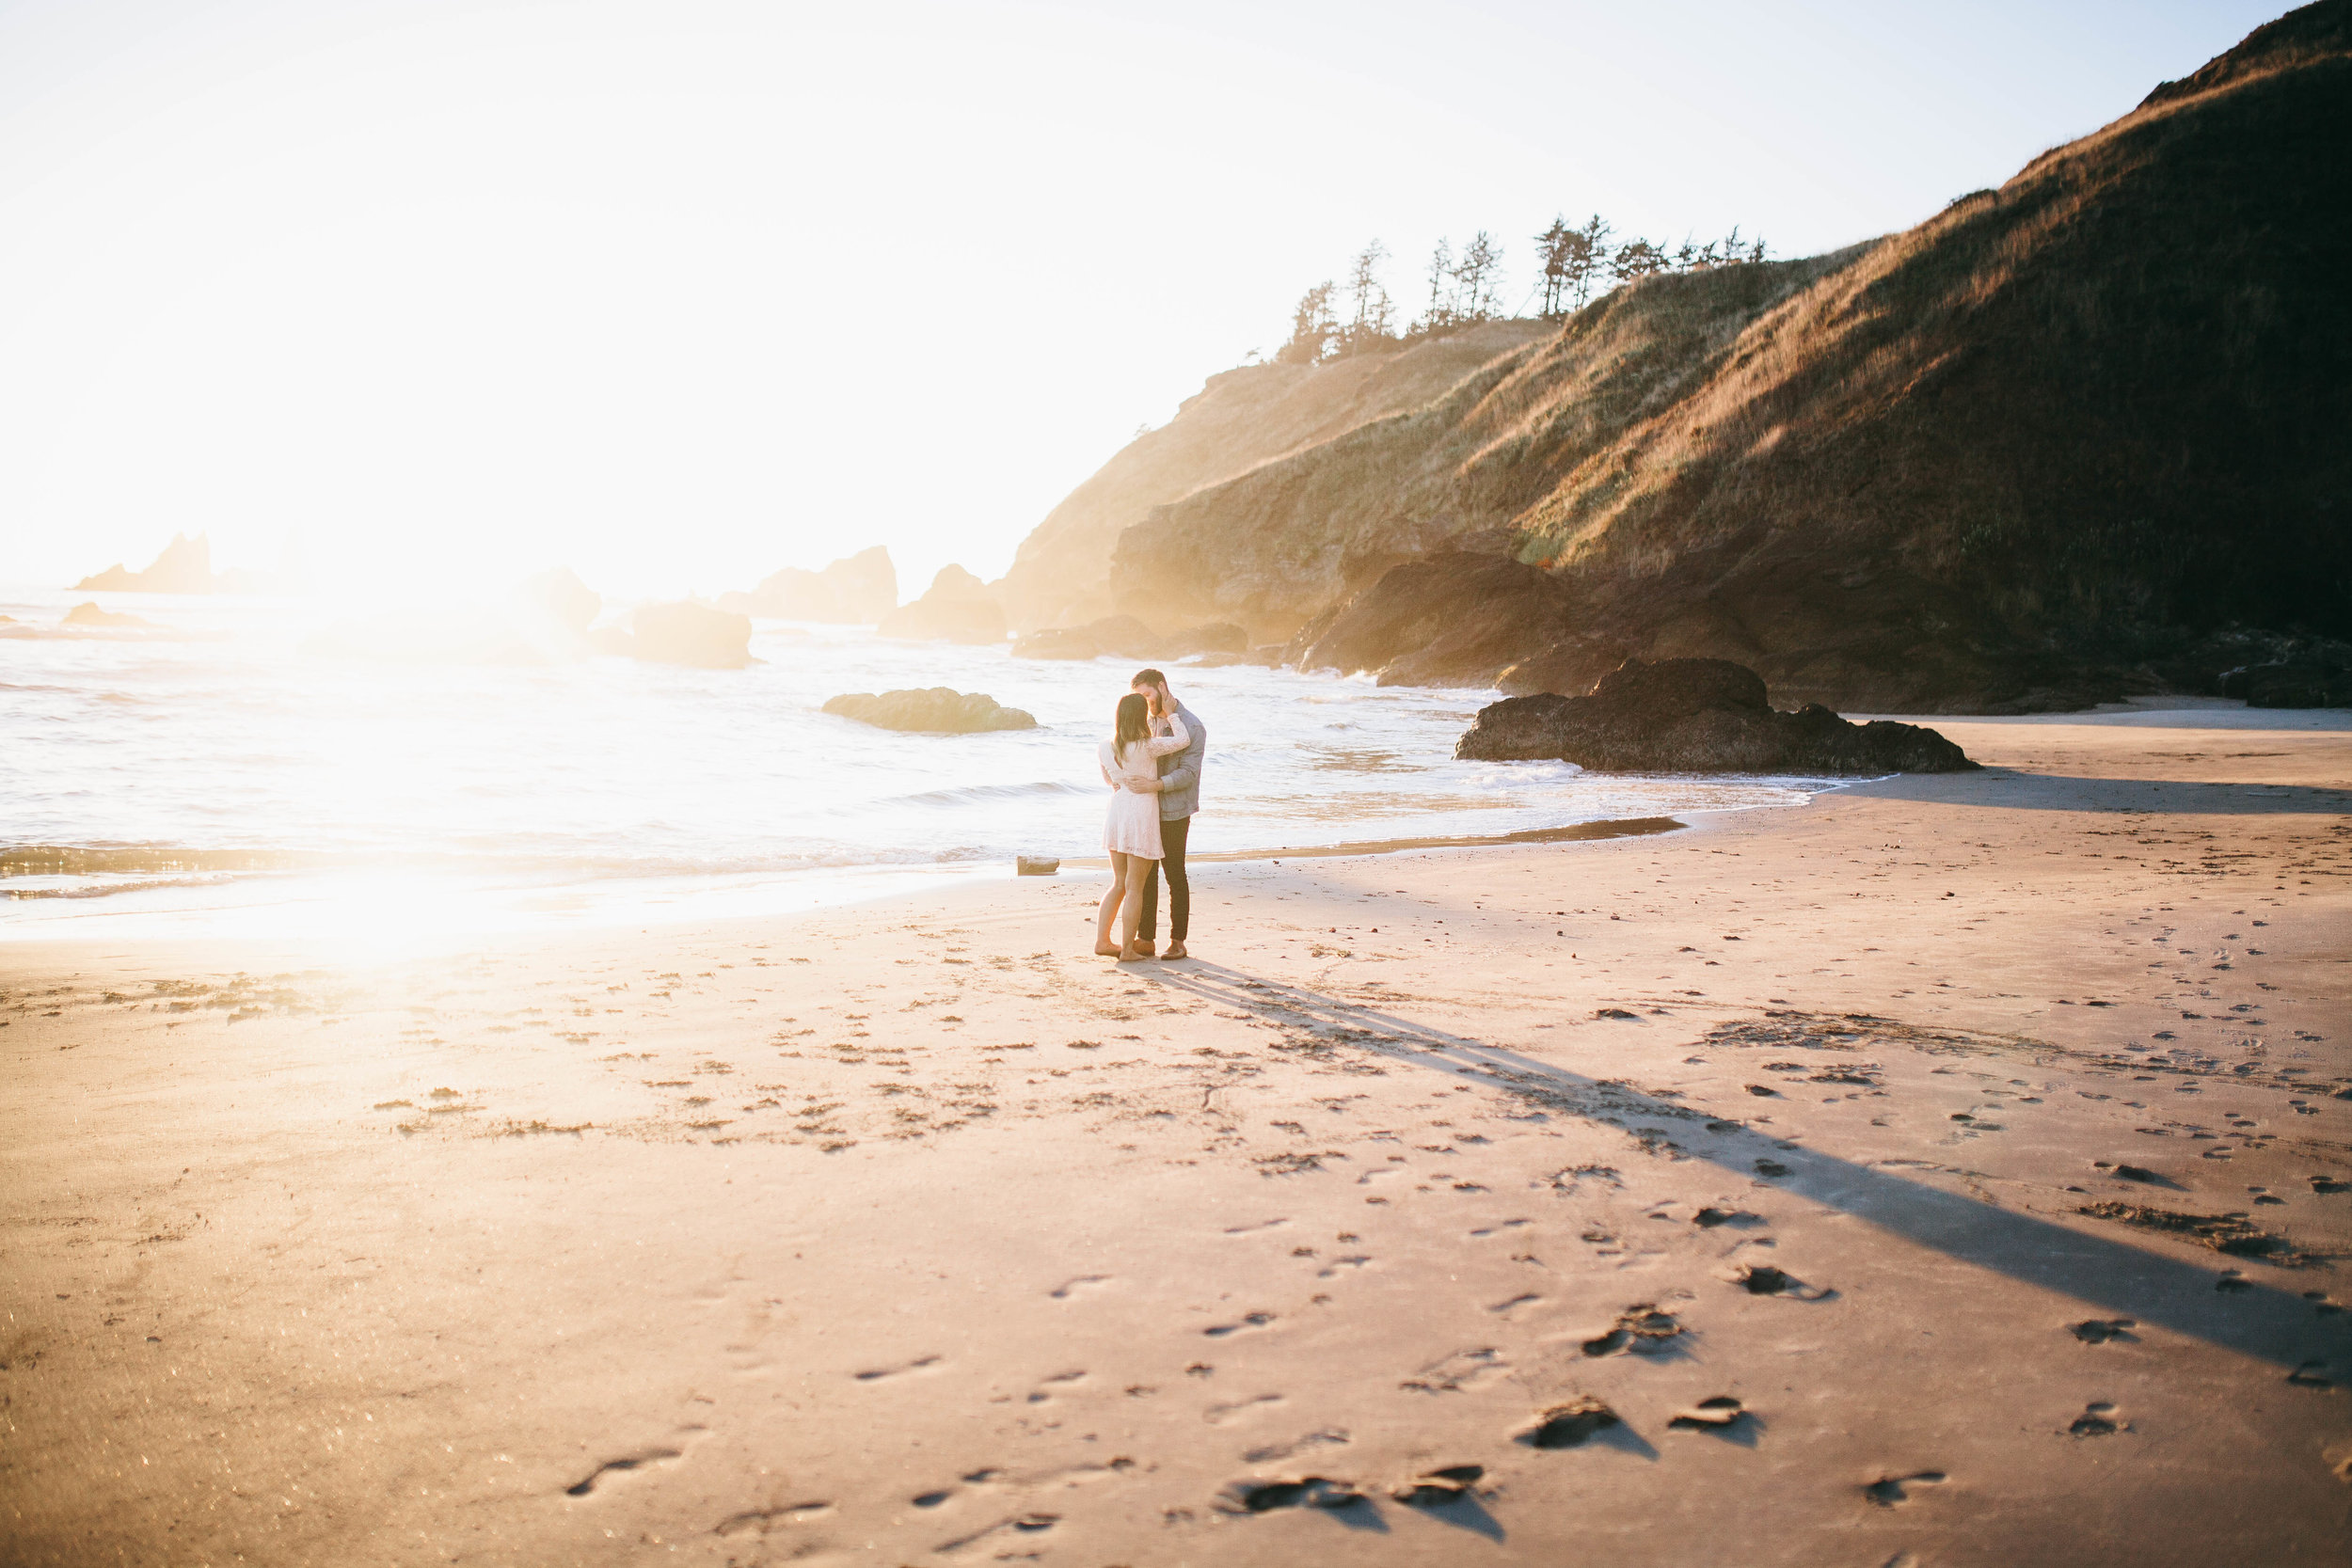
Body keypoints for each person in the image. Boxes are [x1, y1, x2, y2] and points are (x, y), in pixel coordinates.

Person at [1095, 692, 1191, 962]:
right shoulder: (1148, 746)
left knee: (1118, 884)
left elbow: (1109, 781)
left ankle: (1103, 941)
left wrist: (1123, 782)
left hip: (1117, 811)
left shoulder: (1105, 746)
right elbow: (1184, 740)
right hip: (1141, 814)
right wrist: (1172, 712)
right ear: (1140, 717)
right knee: (1135, 886)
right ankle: (1126, 950)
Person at [1129, 669, 1205, 960]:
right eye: (1139, 697)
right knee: (1146, 875)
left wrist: (1155, 785)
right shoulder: (1144, 720)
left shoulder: (1192, 725)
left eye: (1147, 695)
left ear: (1162, 687)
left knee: (1174, 873)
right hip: (1146, 808)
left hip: (1175, 810)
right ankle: (1145, 938)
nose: (1144, 702)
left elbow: (1188, 773)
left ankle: (1178, 940)